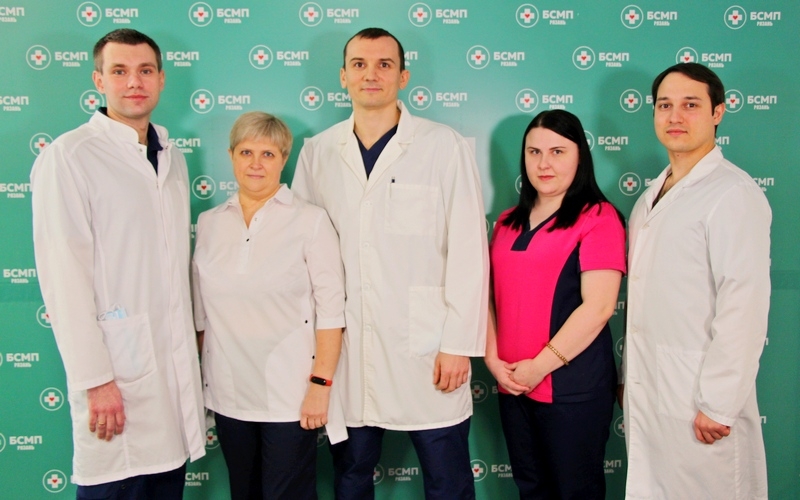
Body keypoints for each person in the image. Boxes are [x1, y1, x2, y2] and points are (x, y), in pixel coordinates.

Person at [292, 27, 489, 500]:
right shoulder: (318, 152)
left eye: (384, 64)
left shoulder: (443, 145)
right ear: (343, 76)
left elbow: (468, 250)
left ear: (403, 76)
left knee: (447, 480)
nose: (371, 74)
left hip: (428, 349)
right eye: (359, 64)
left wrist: (458, 344)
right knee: (352, 477)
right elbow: (302, 256)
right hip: (349, 351)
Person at [30, 29, 205, 498]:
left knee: (167, 478)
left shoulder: (171, 157)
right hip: (115, 377)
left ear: (161, 79)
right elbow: (63, 280)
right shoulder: (70, 157)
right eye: (120, 71)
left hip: (170, 376)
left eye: (145, 70)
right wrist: (96, 380)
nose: (134, 82)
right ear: (99, 81)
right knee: (114, 483)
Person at [620, 63, 771, 498]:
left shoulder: (733, 193)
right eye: (664, 105)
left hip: (701, 399)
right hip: (652, 392)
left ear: (718, 112)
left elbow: (743, 304)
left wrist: (719, 402)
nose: (675, 117)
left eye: (690, 105)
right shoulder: (649, 198)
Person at [191, 111, 346, 499]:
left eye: (268, 154)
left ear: (283, 159)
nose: (256, 163)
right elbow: (201, 316)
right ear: (231, 155)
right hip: (228, 394)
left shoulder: (310, 221)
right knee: (243, 492)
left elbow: (331, 313)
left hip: (289, 396)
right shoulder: (209, 223)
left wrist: (320, 386)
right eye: (246, 152)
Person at [485, 110, 626, 499]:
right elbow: (488, 299)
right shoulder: (507, 222)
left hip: (572, 388)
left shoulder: (599, 218)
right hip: (512, 384)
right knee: (530, 489)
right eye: (534, 152)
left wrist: (539, 367)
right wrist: (493, 360)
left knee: (574, 491)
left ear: (580, 156)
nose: (544, 163)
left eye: (557, 152)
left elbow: (599, 307)